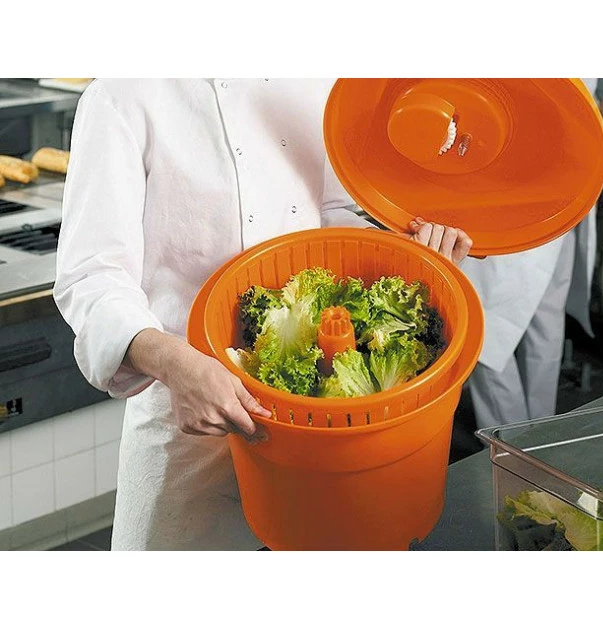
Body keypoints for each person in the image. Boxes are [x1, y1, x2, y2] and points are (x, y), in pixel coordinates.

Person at [53, 79, 473, 551]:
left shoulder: (313, 79)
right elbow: (91, 276)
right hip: (191, 419)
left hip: (319, 416)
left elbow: (331, 215)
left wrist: (406, 258)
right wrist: (174, 363)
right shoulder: (121, 93)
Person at [462, 78, 603, 429]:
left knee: (487, 327)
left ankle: (512, 441)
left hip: (504, 198)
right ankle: (540, 434)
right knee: (544, 321)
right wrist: (587, 179)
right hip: (563, 198)